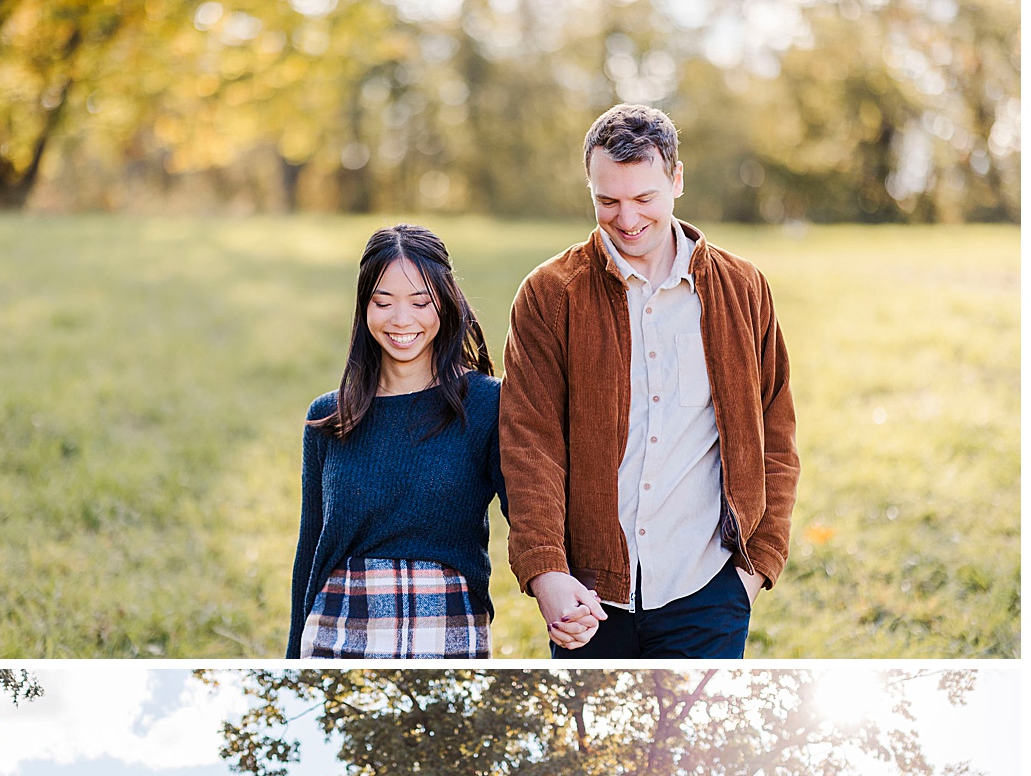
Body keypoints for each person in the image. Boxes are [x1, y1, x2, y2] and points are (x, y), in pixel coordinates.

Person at [499, 103, 799, 658]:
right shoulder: (549, 295)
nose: (627, 218)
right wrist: (546, 574)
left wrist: (755, 569)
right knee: (594, 750)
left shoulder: (744, 289)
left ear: (677, 180)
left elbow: (775, 435)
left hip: (708, 590)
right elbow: (528, 445)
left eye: (644, 198)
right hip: (588, 599)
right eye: (607, 200)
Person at [287, 223, 512, 658]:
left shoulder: (486, 404)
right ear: (364, 308)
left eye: (420, 302)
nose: (401, 320)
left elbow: (530, 516)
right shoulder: (329, 417)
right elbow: (309, 549)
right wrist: (293, 659)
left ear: (445, 304)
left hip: (445, 626)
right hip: (336, 628)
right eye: (383, 302)